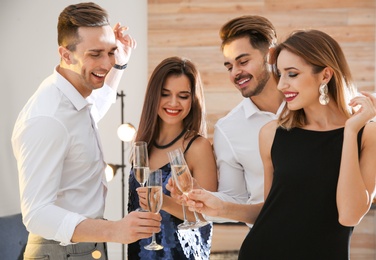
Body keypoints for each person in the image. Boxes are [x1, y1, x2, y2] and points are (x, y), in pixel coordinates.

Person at [186, 29, 376, 259]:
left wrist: (350, 131)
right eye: (280, 74)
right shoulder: (272, 133)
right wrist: (220, 207)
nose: (281, 85)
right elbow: (271, 210)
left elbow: (349, 215)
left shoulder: (366, 133)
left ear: (325, 75)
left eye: (292, 74)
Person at [11, 2, 161, 259]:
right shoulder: (48, 117)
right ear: (66, 55)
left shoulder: (75, 99)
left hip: (85, 247)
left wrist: (120, 65)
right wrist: (115, 231)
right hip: (59, 251)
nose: (106, 63)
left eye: (110, 51)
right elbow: (37, 215)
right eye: (95, 54)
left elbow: (98, 105)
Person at [127, 56, 218, 259]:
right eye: (165, 94)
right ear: (154, 96)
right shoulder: (143, 144)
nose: (173, 103)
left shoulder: (197, 147)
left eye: (183, 96)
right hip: (140, 253)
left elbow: (207, 215)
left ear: (193, 100)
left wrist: (163, 201)